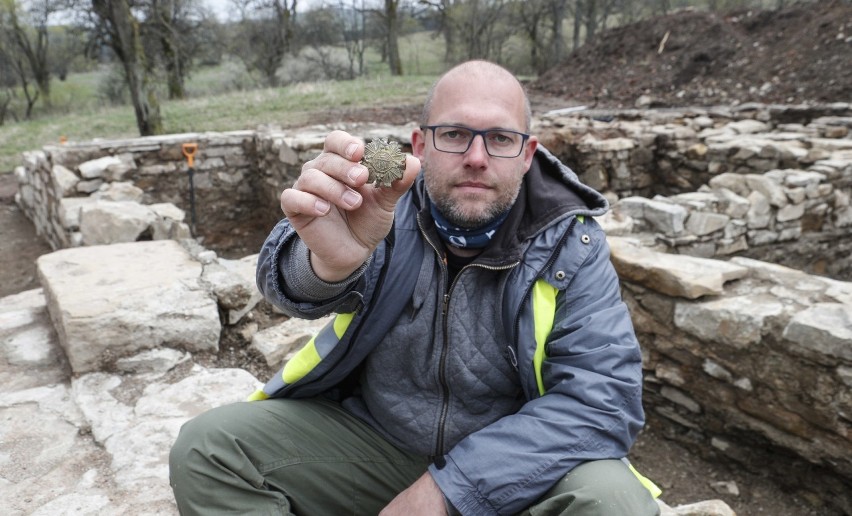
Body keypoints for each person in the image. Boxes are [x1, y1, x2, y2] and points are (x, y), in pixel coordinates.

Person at [169, 60, 659, 516]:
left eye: (501, 139)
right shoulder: (384, 201)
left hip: (515, 472)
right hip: (377, 446)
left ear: (528, 153)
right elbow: (287, 285)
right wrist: (326, 264)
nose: (476, 157)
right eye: (454, 134)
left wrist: (449, 491)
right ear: (419, 145)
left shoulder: (573, 240)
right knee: (207, 448)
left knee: (615, 500)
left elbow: (604, 400)